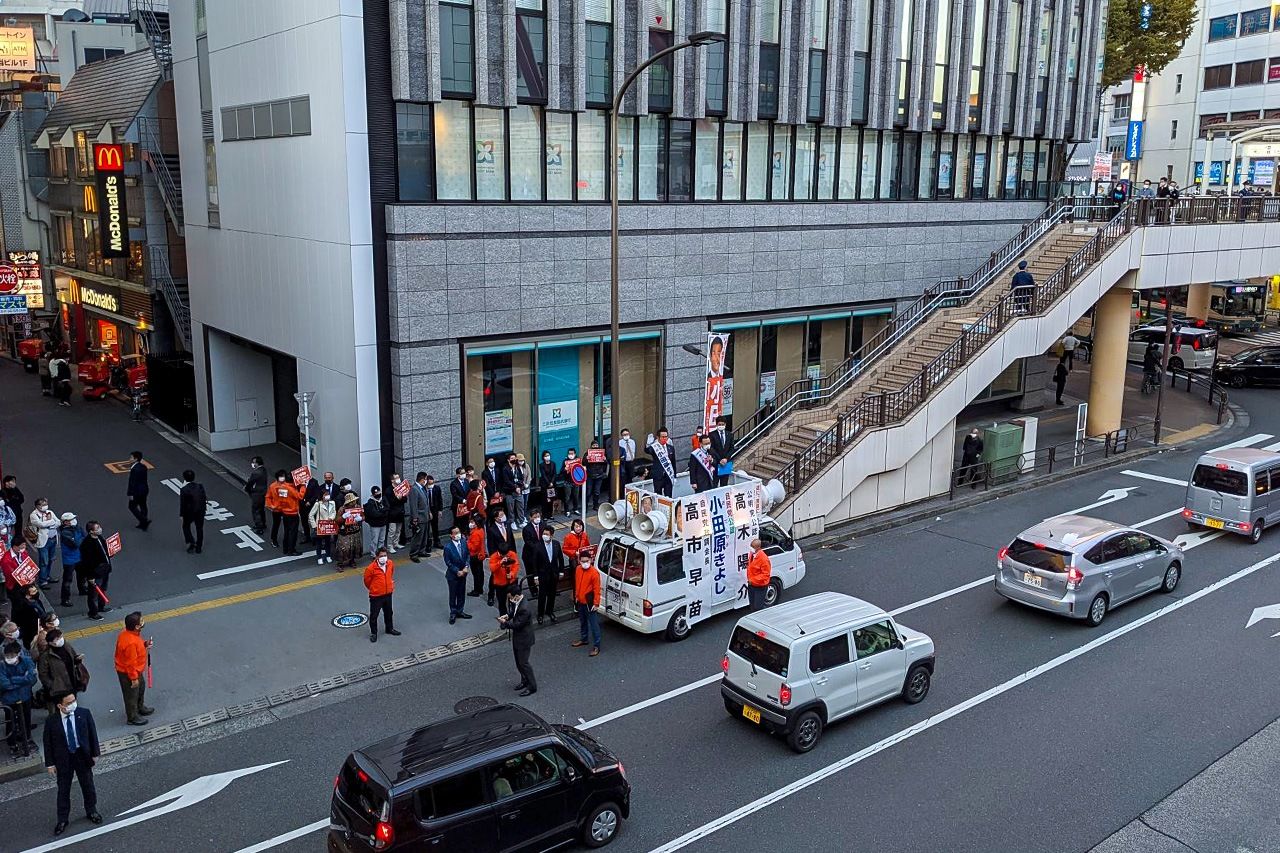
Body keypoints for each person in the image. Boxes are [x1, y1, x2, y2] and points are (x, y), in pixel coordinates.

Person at [44, 691, 103, 836]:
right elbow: (48, 743)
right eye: (68, 703)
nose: (72, 704)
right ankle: (62, 819)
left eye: (73, 701)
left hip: (81, 755)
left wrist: (95, 752)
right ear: (60, 705)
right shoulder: (52, 721)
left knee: (87, 784)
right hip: (63, 758)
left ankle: (91, 810)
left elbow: (92, 733)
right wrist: (50, 764)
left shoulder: (84, 713)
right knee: (63, 789)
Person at [114, 611, 153, 726]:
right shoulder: (130, 642)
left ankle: (140, 707)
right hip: (130, 673)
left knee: (140, 689)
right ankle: (132, 716)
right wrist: (134, 678)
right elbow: (130, 663)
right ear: (136, 626)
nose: (143, 622)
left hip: (135, 671)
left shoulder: (128, 634)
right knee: (131, 694)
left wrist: (145, 644)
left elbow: (138, 644)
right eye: (141, 621)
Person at [498, 580, 536, 696]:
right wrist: (508, 616)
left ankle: (532, 686)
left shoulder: (524, 608)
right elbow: (514, 613)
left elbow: (518, 624)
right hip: (518, 638)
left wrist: (505, 622)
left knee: (523, 663)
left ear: (517, 596)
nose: (510, 600)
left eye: (511, 597)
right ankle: (524, 680)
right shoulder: (518, 602)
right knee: (518, 662)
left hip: (524, 639)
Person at [1, 640, 37, 756]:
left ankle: (27, 740)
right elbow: (4, 683)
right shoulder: (2, 665)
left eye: (11, 656)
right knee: (10, 721)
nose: (9, 658)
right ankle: (12, 744)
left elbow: (32, 679)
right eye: (7, 656)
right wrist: (22, 679)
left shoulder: (26, 661)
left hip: (24, 696)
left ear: (18, 654)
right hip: (9, 699)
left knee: (26, 719)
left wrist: (13, 680)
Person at [37, 630, 85, 709]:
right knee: (61, 707)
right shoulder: (46, 656)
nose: (60, 639)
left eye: (60, 637)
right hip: (59, 689)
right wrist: (53, 685)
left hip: (72, 681)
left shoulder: (66, 646)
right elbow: (43, 675)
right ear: (50, 642)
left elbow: (73, 657)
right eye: (57, 639)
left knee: (72, 703)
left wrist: (77, 659)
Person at [364, 547, 400, 643]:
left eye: (385, 555)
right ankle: (374, 633)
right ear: (376, 557)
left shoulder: (390, 563)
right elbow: (367, 582)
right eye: (381, 556)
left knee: (389, 612)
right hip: (376, 596)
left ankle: (389, 628)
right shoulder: (370, 568)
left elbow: (391, 574)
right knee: (374, 615)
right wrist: (375, 588)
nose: (383, 558)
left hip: (388, 593)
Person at [79, 522, 113, 621]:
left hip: (104, 569)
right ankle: (93, 613)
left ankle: (101, 607)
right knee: (93, 594)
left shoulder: (100, 538)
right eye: (97, 528)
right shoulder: (87, 545)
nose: (100, 529)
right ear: (91, 531)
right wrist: (90, 577)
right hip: (95, 573)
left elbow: (105, 552)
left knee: (102, 589)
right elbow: (87, 563)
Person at [532, 524, 565, 625]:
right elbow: (534, 562)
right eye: (543, 534)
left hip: (553, 574)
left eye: (547, 534)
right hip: (543, 575)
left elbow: (560, 558)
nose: (544, 535)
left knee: (552, 594)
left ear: (552, 535)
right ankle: (540, 614)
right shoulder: (538, 546)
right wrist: (536, 576)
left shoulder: (556, 544)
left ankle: (550, 611)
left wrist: (561, 571)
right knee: (542, 595)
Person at [265, 471, 302, 555]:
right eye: (281, 476)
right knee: (277, 525)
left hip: (285, 510)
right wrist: (272, 506)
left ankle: (286, 548)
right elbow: (268, 497)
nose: (283, 478)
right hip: (279, 509)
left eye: (284, 476)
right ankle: (274, 540)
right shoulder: (273, 486)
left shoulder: (285, 486)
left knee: (287, 530)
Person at [571, 552, 602, 657]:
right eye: (582, 561)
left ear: (590, 560)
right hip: (580, 601)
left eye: (586, 561)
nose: (584, 563)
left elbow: (597, 589)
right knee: (582, 621)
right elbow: (577, 583)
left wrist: (596, 603)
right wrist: (576, 596)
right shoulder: (578, 569)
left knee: (594, 625)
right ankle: (584, 639)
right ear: (579, 561)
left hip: (589, 604)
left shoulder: (594, 573)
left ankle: (597, 645)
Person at [486, 510, 517, 606]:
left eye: (503, 514)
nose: (503, 516)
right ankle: (491, 595)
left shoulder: (507, 524)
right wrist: (494, 558)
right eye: (501, 515)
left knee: (510, 573)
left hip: (509, 553)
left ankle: (510, 592)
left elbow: (511, 539)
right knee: (494, 576)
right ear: (496, 518)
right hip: (498, 555)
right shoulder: (491, 529)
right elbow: (491, 545)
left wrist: (513, 553)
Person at [442, 526, 472, 624]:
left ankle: (460, 610)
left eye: (458, 532)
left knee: (461, 592)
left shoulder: (463, 542)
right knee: (453, 594)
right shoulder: (448, 547)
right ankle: (453, 612)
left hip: (463, 573)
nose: (458, 534)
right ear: (451, 535)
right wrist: (457, 571)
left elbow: (467, 555)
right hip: (453, 575)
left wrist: (466, 567)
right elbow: (448, 562)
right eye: (455, 533)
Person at [303, 472, 340, 546]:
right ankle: (322, 543)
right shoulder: (320, 487)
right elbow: (318, 497)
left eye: (329, 477)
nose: (327, 479)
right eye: (326, 478)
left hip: (333, 510)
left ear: (333, 478)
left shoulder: (337, 487)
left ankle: (335, 542)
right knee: (323, 533)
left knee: (334, 528)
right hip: (323, 512)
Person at [29, 498, 59, 589]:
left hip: (52, 539)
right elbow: (40, 525)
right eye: (42, 504)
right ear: (37, 506)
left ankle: (47, 576)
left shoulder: (50, 512)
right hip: (43, 542)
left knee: (51, 559)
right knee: (44, 561)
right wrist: (50, 522)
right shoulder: (34, 515)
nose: (45, 506)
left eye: (46, 504)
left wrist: (48, 523)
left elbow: (58, 522)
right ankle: (42, 581)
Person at [57, 513, 84, 609]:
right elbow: (75, 544)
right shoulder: (65, 533)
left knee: (81, 575)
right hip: (69, 559)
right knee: (67, 580)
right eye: (71, 519)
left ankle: (82, 589)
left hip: (79, 556)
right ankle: (65, 599)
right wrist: (80, 539)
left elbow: (84, 537)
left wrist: (80, 539)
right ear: (65, 522)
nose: (74, 520)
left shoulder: (77, 528)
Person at [178, 469, 208, 554]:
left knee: (185, 526)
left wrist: (181, 515)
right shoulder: (200, 486)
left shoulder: (184, 489)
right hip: (200, 511)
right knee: (199, 528)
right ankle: (199, 547)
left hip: (189, 512)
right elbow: (204, 497)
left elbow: (183, 504)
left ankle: (191, 542)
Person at [334, 493, 365, 570]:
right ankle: (340, 563)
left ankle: (352, 561)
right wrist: (343, 517)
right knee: (344, 548)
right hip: (345, 532)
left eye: (355, 501)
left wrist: (360, 518)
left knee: (354, 547)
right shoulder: (342, 509)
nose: (354, 502)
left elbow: (364, 516)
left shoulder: (358, 507)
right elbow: (337, 520)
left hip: (355, 531)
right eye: (352, 501)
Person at [520, 508, 544, 600]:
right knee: (530, 573)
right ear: (530, 518)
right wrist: (540, 548)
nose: (537, 518)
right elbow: (528, 542)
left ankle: (542, 587)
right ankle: (533, 590)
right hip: (529, 555)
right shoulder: (526, 529)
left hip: (540, 554)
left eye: (538, 516)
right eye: (535, 517)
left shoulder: (543, 525)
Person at [309, 491, 338, 564]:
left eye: (328, 494)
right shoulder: (318, 504)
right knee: (319, 543)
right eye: (325, 494)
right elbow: (311, 515)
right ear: (322, 496)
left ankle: (328, 556)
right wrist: (314, 526)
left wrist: (331, 518)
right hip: (320, 527)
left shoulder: (332, 503)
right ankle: (319, 557)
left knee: (328, 542)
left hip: (328, 526)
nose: (327, 496)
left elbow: (334, 512)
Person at [407, 471, 430, 562]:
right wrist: (415, 518)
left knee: (424, 536)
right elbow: (413, 505)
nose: (426, 481)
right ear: (421, 479)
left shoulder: (423, 488)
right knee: (418, 537)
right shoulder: (414, 489)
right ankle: (414, 554)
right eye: (425, 479)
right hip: (419, 518)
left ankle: (422, 551)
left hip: (425, 517)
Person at [647, 429, 676, 497]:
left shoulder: (670, 447)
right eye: (663, 437)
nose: (665, 438)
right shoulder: (654, 447)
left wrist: (674, 476)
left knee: (668, 495)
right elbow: (647, 451)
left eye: (666, 436)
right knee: (658, 495)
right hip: (658, 476)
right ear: (658, 437)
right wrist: (648, 444)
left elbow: (673, 462)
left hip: (668, 476)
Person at [488, 547, 519, 613]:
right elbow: (492, 569)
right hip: (500, 584)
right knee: (502, 603)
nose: (505, 556)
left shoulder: (512, 554)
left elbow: (516, 565)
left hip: (511, 582)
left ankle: (514, 616)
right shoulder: (493, 557)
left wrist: (512, 573)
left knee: (515, 601)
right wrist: (500, 563)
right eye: (503, 555)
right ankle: (504, 619)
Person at [500, 454, 526, 529]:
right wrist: (515, 487)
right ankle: (512, 522)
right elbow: (506, 481)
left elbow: (521, 478)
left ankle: (521, 521)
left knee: (520, 506)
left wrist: (519, 487)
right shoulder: (505, 469)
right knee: (510, 508)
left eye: (515, 458)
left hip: (518, 491)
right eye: (512, 458)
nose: (514, 459)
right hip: (509, 492)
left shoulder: (517, 467)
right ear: (508, 460)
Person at [126, 451, 150, 531]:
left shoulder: (134, 469)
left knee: (132, 506)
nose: (129, 459)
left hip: (137, 492)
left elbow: (132, 483)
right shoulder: (143, 467)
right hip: (144, 489)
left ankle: (144, 521)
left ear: (135, 459)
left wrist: (130, 493)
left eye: (131, 457)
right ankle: (143, 522)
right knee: (143, 505)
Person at [244, 456, 268, 535]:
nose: (252, 464)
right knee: (261, 509)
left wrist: (247, 489)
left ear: (257, 463)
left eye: (253, 462)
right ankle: (263, 524)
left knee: (256, 510)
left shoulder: (256, 473)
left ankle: (259, 527)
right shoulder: (263, 470)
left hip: (256, 493)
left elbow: (250, 482)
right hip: (263, 493)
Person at [746, 539, 772, 610]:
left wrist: (752, 580)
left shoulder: (764, 559)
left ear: (758, 548)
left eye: (752, 546)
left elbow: (765, 575)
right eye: (751, 545)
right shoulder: (752, 554)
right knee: (752, 605)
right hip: (751, 585)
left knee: (758, 607)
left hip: (760, 586)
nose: (751, 547)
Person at [363, 486, 389, 556]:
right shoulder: (370, 502)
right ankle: (373, 554)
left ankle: (381, 553)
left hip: (383, 523)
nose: (378, 494)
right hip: (375, 525)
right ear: (373, 494)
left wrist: (381, 511)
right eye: (376, 493)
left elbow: (387, 508)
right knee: (375, 540)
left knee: (382, 540)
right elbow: (375, 514)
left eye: (379, 492)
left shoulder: (383, 499)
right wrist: (383, 512)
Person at [466, 514, 487, 597]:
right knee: (480, 572)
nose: (470, 523)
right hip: (480, 555)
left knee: (476, 574)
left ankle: (476, 590)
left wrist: (467, 543)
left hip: (474, 556)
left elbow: (473, 547)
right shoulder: (481, 530)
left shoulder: (475, 533)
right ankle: (480, 589)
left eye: (472, 522)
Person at [710, 417, 735, 486]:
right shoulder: (712, 435)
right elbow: (711, 449)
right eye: (719, 424)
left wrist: (726, 459)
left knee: (724, 483)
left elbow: (732, 448)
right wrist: (719, 459)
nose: (721, 426)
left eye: (722, 424)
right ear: (716, 424)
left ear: (725, 424)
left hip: (726, 463)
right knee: (714, 484)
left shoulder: (729, 434)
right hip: (716, 463)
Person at [385, 474, 407, 553]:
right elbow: (389, 502)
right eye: (396, 478)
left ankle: (396, 543)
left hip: (400, 513)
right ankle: (389, 546)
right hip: (392, 514)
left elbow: (405, 499)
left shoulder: (401, 487)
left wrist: (402, 497)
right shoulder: (389, 490)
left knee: (398, 530)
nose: (398, 479)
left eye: (398, 477)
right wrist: (397, 498)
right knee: (392, 531)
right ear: (392, 480)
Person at [585, 441, 608, 512]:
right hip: (590, 475)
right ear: (591, 446)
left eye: (596, 445)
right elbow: (583, 463)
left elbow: (606, 464)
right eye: (594, 445)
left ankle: (595, 506)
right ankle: (585, 506)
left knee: (597, 492)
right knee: (588, 492)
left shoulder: (601, 453)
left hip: (599, 475)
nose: (595, 446)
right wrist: (586, 459)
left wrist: (605, 460)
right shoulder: (587, 453)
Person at [423, 474, 444, 551]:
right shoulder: (424, 489)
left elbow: (440, 499)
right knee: (427, 528)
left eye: (432, 483)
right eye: (430, 484)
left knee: (435, 527)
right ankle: (428, 544)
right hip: (427, 511)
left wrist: (440, 510)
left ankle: (437, 542)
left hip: (435, 510)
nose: (431, 485)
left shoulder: (437, 488)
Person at [537, 452, 559, 518]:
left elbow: (555, 474)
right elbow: (543, 475)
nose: (547, 457)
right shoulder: (541, 465)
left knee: (551, 499)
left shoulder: (553, 463)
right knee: (545, 500)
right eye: (546, 456)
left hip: (552, 485)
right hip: (545, 485)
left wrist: (552, 482)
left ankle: (550, 515)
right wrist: (548, 483)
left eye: (548, 455)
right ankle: (544, 515)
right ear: (543, 457)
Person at [561, 449, 581, 516]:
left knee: (576, 496)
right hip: (567, 482)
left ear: (575, 454)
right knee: (567, 498)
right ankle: (567, 511)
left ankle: (576, 509)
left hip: (576, 482)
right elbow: (561, 471)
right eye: (569, 453)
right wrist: (564, 469)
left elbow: (581, 470)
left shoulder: (578, 461)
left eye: (572, 453)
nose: (570, 455)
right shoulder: (565, 461)